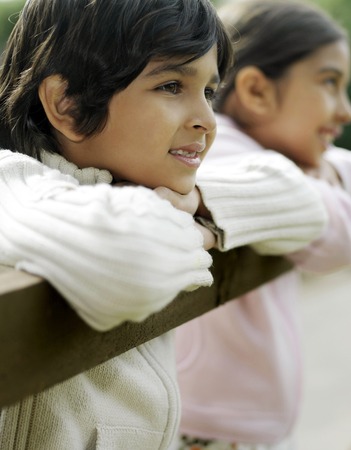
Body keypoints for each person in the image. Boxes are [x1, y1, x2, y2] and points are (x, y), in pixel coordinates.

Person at [0, 0, 331, 448]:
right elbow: (131, 258)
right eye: (172, 85)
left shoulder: (135, 182)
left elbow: (303, 202)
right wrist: (195, 230)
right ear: (69, 104)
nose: (208, 121)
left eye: (209, 92)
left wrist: (197, 202)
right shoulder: (11, 184)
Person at [174, 0, 351, 449]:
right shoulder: (212, 151)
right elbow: (339, 241)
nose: (347, 111)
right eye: (329, 83)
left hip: (231, 423)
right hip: (203, 428)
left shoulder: (285, 162)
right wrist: (310, 183)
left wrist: (328, 174)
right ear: (258, 91)